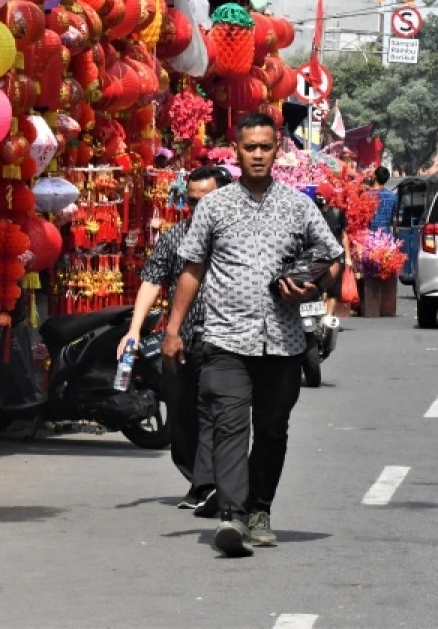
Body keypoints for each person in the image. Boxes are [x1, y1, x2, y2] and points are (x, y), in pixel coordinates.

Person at [162, 113, 344, 558]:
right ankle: (232, 515)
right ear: (237, 150)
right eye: (250, 147)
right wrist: (172, 328)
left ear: (277, 149)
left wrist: (312, 284)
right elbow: (192, 269)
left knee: (272, 430)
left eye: (266, 147)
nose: (258, 154)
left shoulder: (299, 206)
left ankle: (259, 509)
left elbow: (333, 259)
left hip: (282, 340)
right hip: (224, 337)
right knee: (228, 425)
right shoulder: (215, 207)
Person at [119, 165, 232, 515]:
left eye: (206, 201)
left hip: (226, 340)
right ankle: (198, 479)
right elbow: (153, 281)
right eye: (192, 202)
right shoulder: (175, 237)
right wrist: (134, 330)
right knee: (182, 416)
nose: (198, 210)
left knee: (216, 411)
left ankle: (212, 485)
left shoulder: (238, 239)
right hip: (181, 341)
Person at [314, 182, 351, 316]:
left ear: (327, 197)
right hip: (318, 256)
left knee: (334, 289)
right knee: (321, 288)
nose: (318, 198)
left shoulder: (337, 214)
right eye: (316, 195)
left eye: (320, 195)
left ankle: (328, 317)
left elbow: (344, 236)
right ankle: (322, 316)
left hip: (336, 257)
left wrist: (348, 257)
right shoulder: (313, 214)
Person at [368, 166, 397, 233]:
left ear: (375, 176)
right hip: (386, 236)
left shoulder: (366, 195)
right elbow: (394, 219)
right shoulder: (392, 196)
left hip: (370, 237)